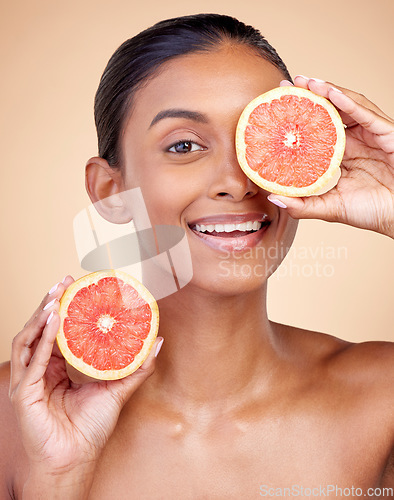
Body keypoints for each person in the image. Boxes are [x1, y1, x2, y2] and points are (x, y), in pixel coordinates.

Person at [0, 13, 393, 499]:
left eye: (259, 142)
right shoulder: (17, 416)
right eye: (185, 145)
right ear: (110, 191)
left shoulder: (382, 400)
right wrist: (57, 481)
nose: (236, 182)